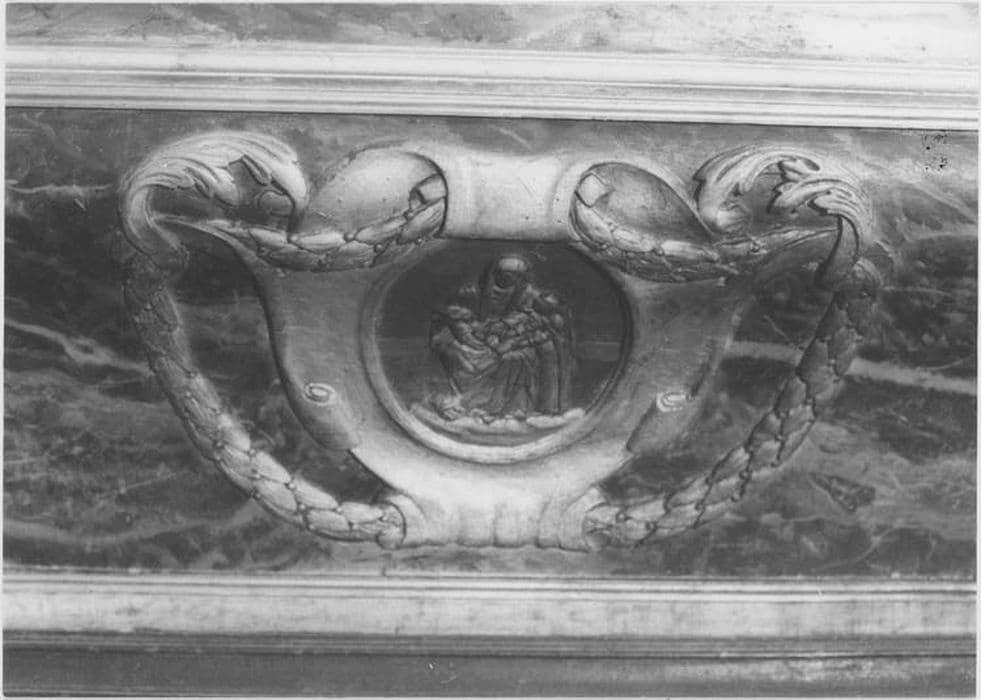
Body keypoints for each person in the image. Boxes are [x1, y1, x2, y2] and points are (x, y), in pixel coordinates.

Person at [428, 254, 574, 424]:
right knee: (455, 352)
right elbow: (447, 320)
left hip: (512, 343)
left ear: (521, 280)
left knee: (518, 356)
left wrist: (515, 335)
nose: (502, 283)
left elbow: (548, 326)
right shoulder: (471, 293)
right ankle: (469, 401)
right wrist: (478, 332)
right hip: (479, 342)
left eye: (510, 278)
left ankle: (523, 408)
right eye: (499, 276)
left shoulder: (532, 298)